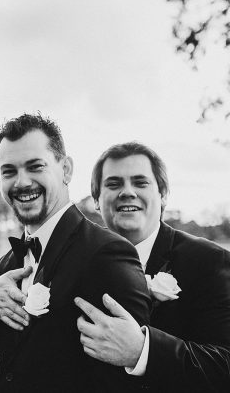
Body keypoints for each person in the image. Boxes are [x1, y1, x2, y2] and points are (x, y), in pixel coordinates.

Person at [0, 113, 151, 392]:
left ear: (65, 169)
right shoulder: (10, 262)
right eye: (9, 171)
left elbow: (130, 382)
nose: (21, 182)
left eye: (35, 166)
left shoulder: (107, 253)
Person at [74, 142, 230, 392]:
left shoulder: (210, 261)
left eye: (140, 182)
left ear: (164, 194)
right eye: (113, 184)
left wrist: (142, 351)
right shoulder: (77, 256)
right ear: (96, 199)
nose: (127, 192)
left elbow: (225, 365)